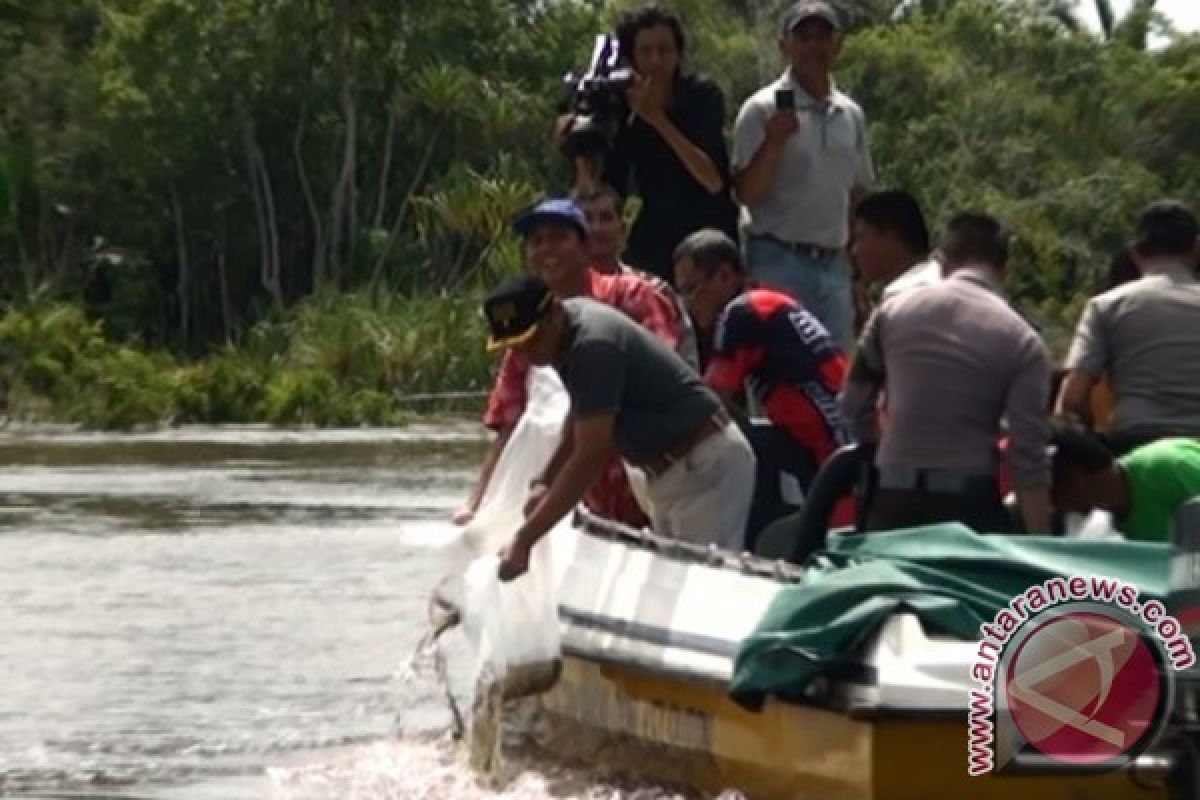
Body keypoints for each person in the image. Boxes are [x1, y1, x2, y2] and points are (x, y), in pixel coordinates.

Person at [483, 275, 757, 580]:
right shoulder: (566, 334)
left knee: (704, 586)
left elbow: (590, 458)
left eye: (531, 340)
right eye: (516, 346)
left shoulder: (592, 346)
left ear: (555, 312)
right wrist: (545, 479)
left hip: (704, 467)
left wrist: (524, 541)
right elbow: (582, 411)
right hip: (670, 474)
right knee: (672, 584)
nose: (528, 354)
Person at [454, 198, 687, 528]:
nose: (547, 249)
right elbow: (508, 424)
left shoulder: (634, 298)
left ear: (584, 245)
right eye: (537, 241)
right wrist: (475, 503)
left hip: (654, 479)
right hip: (581, 499)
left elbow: (665, 381)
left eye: (559, 237)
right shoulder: (524, 330)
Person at [840, 212, 1053, 534]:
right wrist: (1041, 542)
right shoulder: (1022, 340)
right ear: (1003, 270)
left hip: (891, 494)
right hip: (967, 502)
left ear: (941, 261)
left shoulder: (892, 311)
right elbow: (1028, 456)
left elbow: (852, 404)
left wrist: (882, 446)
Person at [731, 0, 874, 349]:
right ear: (785, 46)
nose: (814, 47)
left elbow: (857, 194)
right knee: (779, 373)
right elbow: (746, 192)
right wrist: (774, 141)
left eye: (823, 37)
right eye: (804, 37)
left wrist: (858, 273)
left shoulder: (851, 114)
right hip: (777, 260)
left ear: (837, 44)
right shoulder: (761, 109)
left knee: (835, 378)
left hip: (835, 265)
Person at [563, 4, 738, 283]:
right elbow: (605, 188)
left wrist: (657, 119)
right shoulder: (619, 104)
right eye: (645, 52)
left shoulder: (702, 95)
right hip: (656, 230)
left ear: (678, 55)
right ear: (631, 58)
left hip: (708, 229)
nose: (655, 61)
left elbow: (712, 180)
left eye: (664, 50)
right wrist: (579, 150)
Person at [673, 228, 849, 465]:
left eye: (691, 289)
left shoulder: (740, 313)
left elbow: (709, 403)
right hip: (842, 436)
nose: (687, 304)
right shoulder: (764, 299)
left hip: (823, 452)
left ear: (725, 276)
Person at [1055, 199, 1200, 454]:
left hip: (1136, 446)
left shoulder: (1106, 305)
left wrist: (1095, 442)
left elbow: (1072, 399)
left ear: (1135, 253)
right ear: (1197, 248)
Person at [574, 184, 699, 368]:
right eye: (587, 220)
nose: (596, 229)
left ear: (623, 230)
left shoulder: (652, 291)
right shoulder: (556, 295)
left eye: (606, 218)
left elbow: (669, 365)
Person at [1051, 423, 1200, 542]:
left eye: (1053, 496)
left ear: (1075, 478)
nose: (1054, 507)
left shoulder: (1170, 466)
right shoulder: (1111, 520)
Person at [851, 189, 940, 303]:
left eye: (861, 237)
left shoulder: (909, 298)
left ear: (893, 237)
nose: (855, 250)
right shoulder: (943, 283)